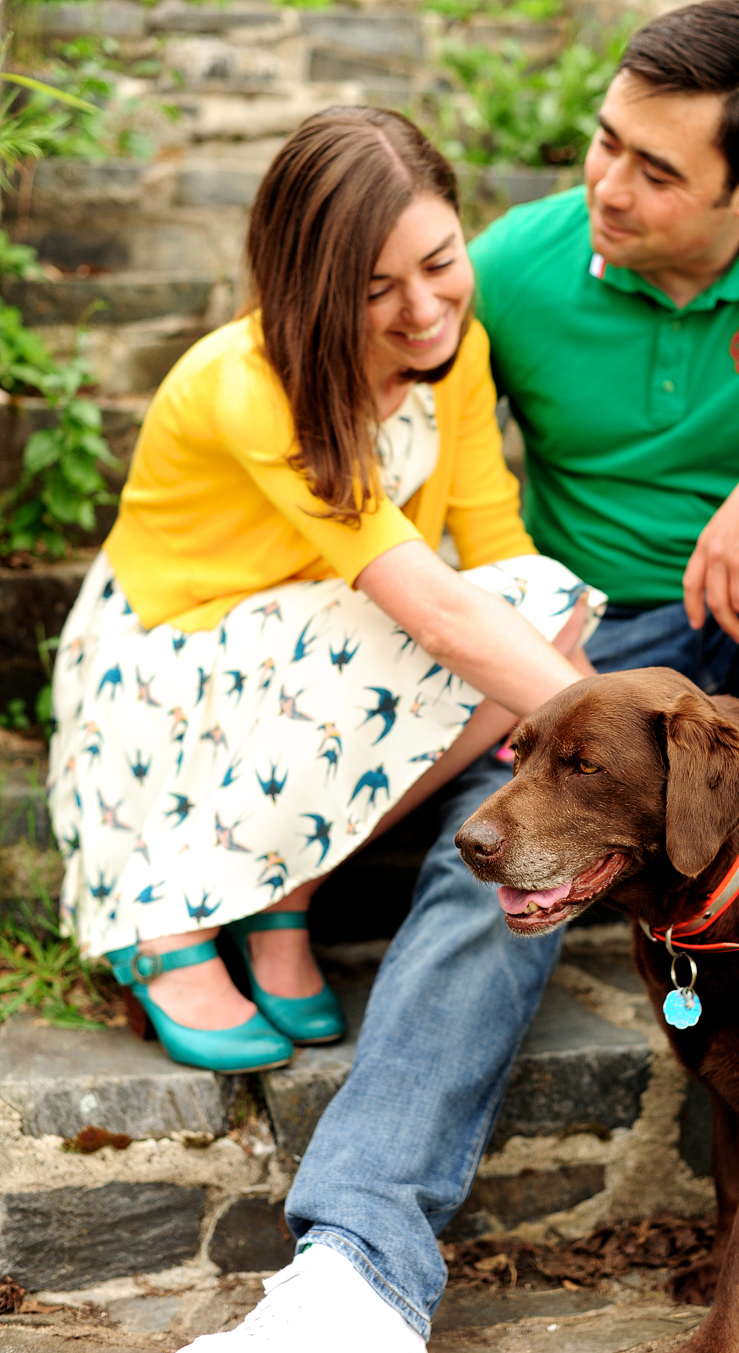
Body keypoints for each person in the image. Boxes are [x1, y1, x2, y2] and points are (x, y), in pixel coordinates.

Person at [182, 2, 739, 1350]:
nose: (606, 188)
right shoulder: (512, 264)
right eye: (603, 142)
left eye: (656, 170)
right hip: (597, 665)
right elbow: (328, 371)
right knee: (500, 861)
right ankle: (354, 1271)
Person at [48, 108, 603, 1086]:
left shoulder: (456, 354)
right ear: (310, 287)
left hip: (325, 647)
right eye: (374, 288)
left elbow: (496, 543)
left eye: (439, 262)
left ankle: (286, 885)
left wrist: (572, 682)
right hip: (181, 656)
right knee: (479, 629)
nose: (424, 308)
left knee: (545, 603)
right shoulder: (253, 383)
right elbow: (434, 612)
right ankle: (172, 914)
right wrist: (614, 730)